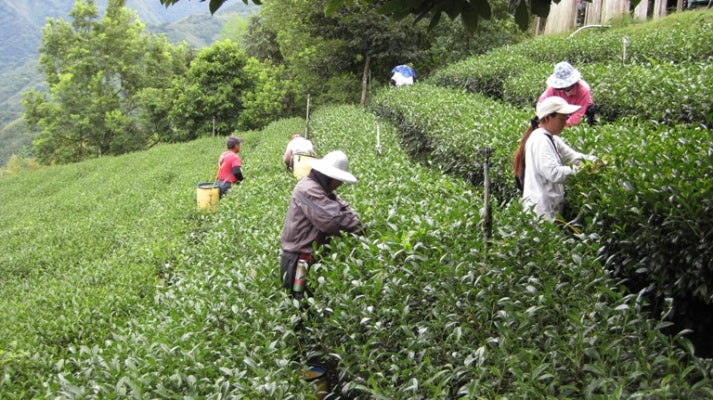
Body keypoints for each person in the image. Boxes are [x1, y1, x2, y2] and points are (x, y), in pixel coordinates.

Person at [279, 150, 363, 300]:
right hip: (299, 260)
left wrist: (356, 223)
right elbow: (333, 220)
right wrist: (362, 230)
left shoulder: (323, 189)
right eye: (339, 179)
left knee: (312, 302)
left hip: (310, 258)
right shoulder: (309, 189)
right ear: (329, 176)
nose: (341, 183)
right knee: (301, 305)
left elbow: (344, 210)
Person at [513, 96, 597, 221]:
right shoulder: (540, 140)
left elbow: (573, 157)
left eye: (566, 118)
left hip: (550, 209)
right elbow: (554, 173)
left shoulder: (551, 138)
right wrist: (585, 168)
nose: (565, 122)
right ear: (547, 118)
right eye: (562, 118)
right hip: (541, 213)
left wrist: (596, 160)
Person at [538, 61, 596, 126]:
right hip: (563, 108)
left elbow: (578, 115)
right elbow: (542, 103)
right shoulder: (553, 88)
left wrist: (561, 126)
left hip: (584, 109)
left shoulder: (583, 89)